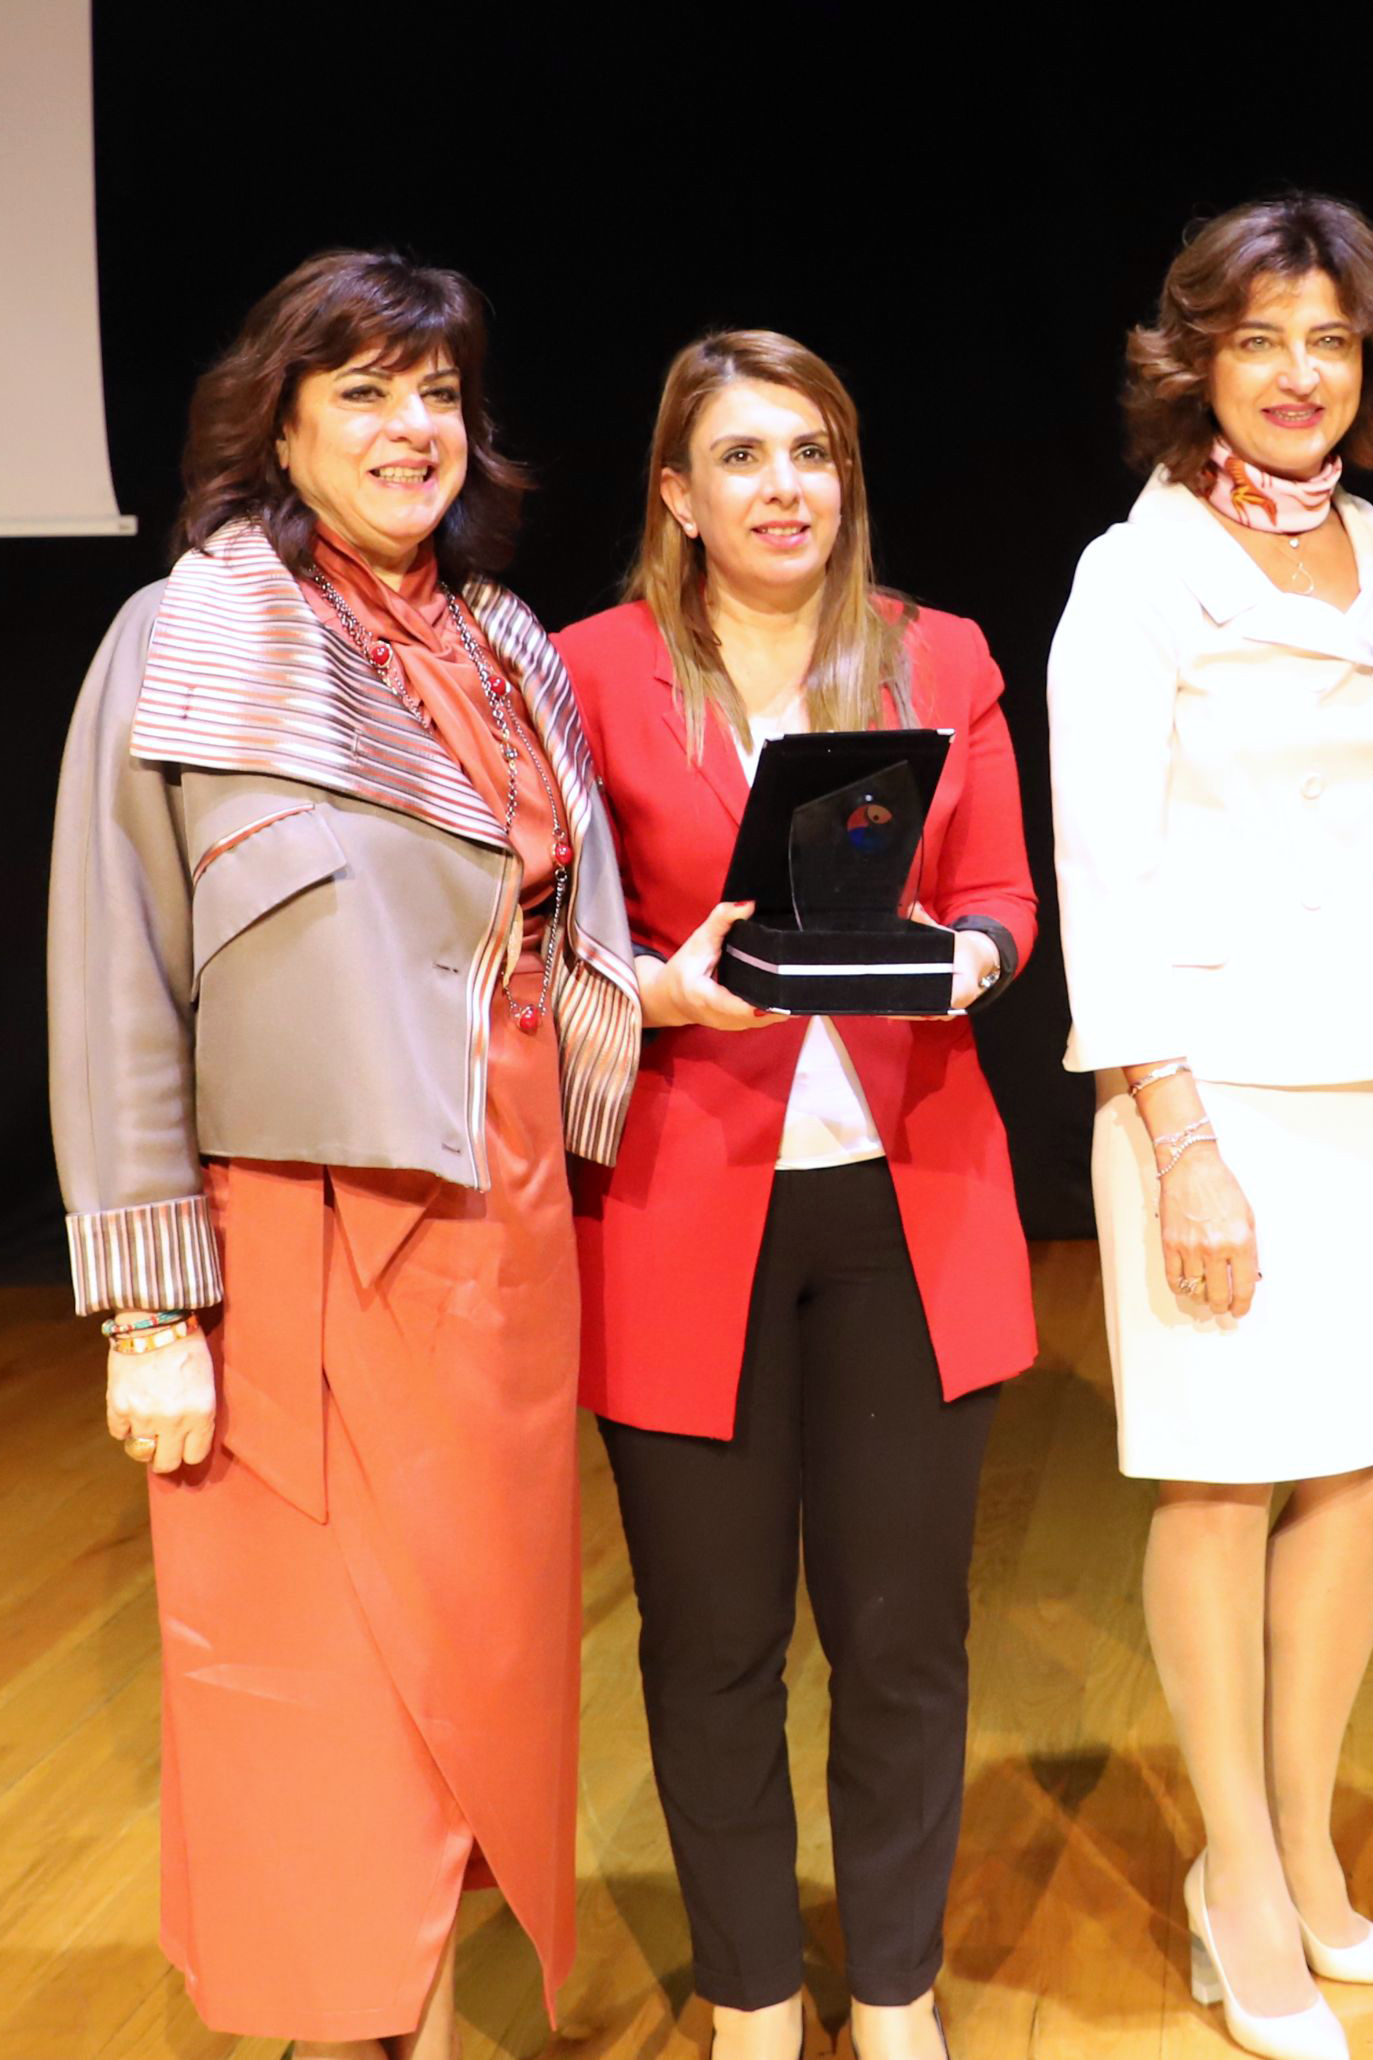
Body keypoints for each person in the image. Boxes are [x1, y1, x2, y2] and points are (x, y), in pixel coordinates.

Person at [45, 251, 641, 2060]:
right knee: (316, 1698)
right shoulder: (189, 635)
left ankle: (416, 2023)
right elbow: (119, 974)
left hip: (503, 1242)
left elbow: (549, 938)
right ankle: (359, 2031)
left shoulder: (506, 642)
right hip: (300, 1251)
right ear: (281, 424)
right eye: (364, 391)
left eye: (437, 393)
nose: (411, 428)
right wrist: (151, 1311)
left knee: (472, 1674)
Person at [1047, 194, 1373, 2060]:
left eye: (1331, 340)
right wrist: (1178, 1141)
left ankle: (1307, 1855)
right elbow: (1105, 871)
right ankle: (1235, 1886)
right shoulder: (1135, 573)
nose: (1300, 374)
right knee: (1224, 1478)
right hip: (1213, 1089)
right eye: (1261, 341)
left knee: (1369, 1468)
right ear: (1199, 364)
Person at [554, 329, 1036, 2060]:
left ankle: (895, 1992)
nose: (786, 489)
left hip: (909, 1205)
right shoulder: (587, 672)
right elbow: (535, 944)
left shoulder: (938, 653)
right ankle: (752, 1997)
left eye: (814, 452)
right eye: (743, 457)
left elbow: (1001, 894)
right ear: (676, 496)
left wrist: (969, 957)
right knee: (712, 1640)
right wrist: (664, 993)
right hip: (681, 1210)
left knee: (902, 1638)